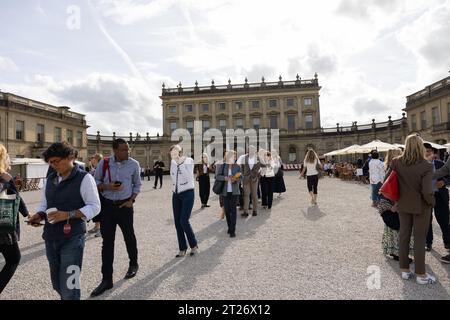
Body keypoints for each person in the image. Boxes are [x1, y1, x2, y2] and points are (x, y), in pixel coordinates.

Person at [28, 142, 101, 299]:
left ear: (71, 157)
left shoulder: (85, 178)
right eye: (51, 162)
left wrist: (68, 214)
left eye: (57, 161)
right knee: (57, 283)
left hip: (73, 238)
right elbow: (45, 204)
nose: (54, 165)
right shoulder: (50, 179)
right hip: (51, 236)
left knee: (70, 285)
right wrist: (39, 215)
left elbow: (95, 207)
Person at [90, 138, 141, 297]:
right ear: (115, 151)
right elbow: (95, 182)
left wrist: (131, 200)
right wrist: (107, 186)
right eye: (124, 150)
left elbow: (137, 184)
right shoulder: (104, 163)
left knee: (129, 237)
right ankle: (106, 279)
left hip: (125, 207)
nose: (128, 152)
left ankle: (133, 264)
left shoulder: (134, 164)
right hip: (107, 207)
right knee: (107, 243)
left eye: (128, 149)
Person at [390, 134, 436, 285]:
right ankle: (421, 274)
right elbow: (427, 191)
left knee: (404, 235)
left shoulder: (396, 161)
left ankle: (404, 270)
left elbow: (388, 182)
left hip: (403, 204)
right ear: (420, 146)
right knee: (419, 238)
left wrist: (396, 200)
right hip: (421, 205)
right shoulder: (426, 165)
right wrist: (432, 202)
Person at [0, 146, 30, 295]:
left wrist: (27, 214)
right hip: (3, 228)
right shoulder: (4, 177)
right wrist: (28, 214)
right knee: (13, 259)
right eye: (6, 156)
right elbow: (16, 198)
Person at [379, 149, 414, 263]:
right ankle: (399, 254)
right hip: (394, 202)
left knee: (392, 228)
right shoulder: (396, 169)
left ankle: (393, 251)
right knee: (399, 228)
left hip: (389, 203)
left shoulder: (389, 167)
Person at [170, 144, 198, 256]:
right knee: (177, 222)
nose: (173, 154)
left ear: (180, 152)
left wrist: (180, 164)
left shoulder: (189, 160)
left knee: (184, 220)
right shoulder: (172, 163)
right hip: (176, 194)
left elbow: (188, 177)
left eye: (175, 151)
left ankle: (193, 245)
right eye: (171, 152)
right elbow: (173, 177)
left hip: (188, 193)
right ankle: (182, 248)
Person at [423, 143, 450, 252]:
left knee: (444, 220)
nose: (427, 153)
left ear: (433, 152)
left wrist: (444, 181)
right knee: (426, 221)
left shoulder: (440, 163)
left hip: (440, 195)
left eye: (429, 151)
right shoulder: (418, 166)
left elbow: (449, 175)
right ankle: (428, 242)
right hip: (426, 196)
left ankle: (448, 243)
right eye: (424, 151)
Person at [216, 150, 242, 237]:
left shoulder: (237, 167)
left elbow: (241, 178)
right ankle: (229, 226)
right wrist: (225, 178)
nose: (234, 158)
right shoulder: (223, 166)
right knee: (227, 211)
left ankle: (232, 230)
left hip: (234, 192)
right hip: (225, 192)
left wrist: (235, 179)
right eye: (232, 157)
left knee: (233, 211)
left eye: (235, 157)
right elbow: (217, 176)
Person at [237, 145, 261, 217]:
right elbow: (241, 167)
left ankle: (255, 210)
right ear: (248, 150)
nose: (250, 151)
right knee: (246, 195)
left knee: (254, 195)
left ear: (254, 150)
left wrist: (257, 175)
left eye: (252, 149)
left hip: (254, 179)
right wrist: (243, 176)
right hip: (246, 179)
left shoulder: (258, 158)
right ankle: (245, 211)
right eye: (249, 149)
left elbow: (260, 168)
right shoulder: (244, 158)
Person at [88, 153, 103, 238]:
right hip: (94, 193)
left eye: (92, 157)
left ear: (97, 159)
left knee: (101, 212)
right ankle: (97, 226)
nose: (91, 159)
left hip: (100, 193)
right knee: (95, 212)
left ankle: (102, 229)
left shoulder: (101, 169)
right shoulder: (93, 169)